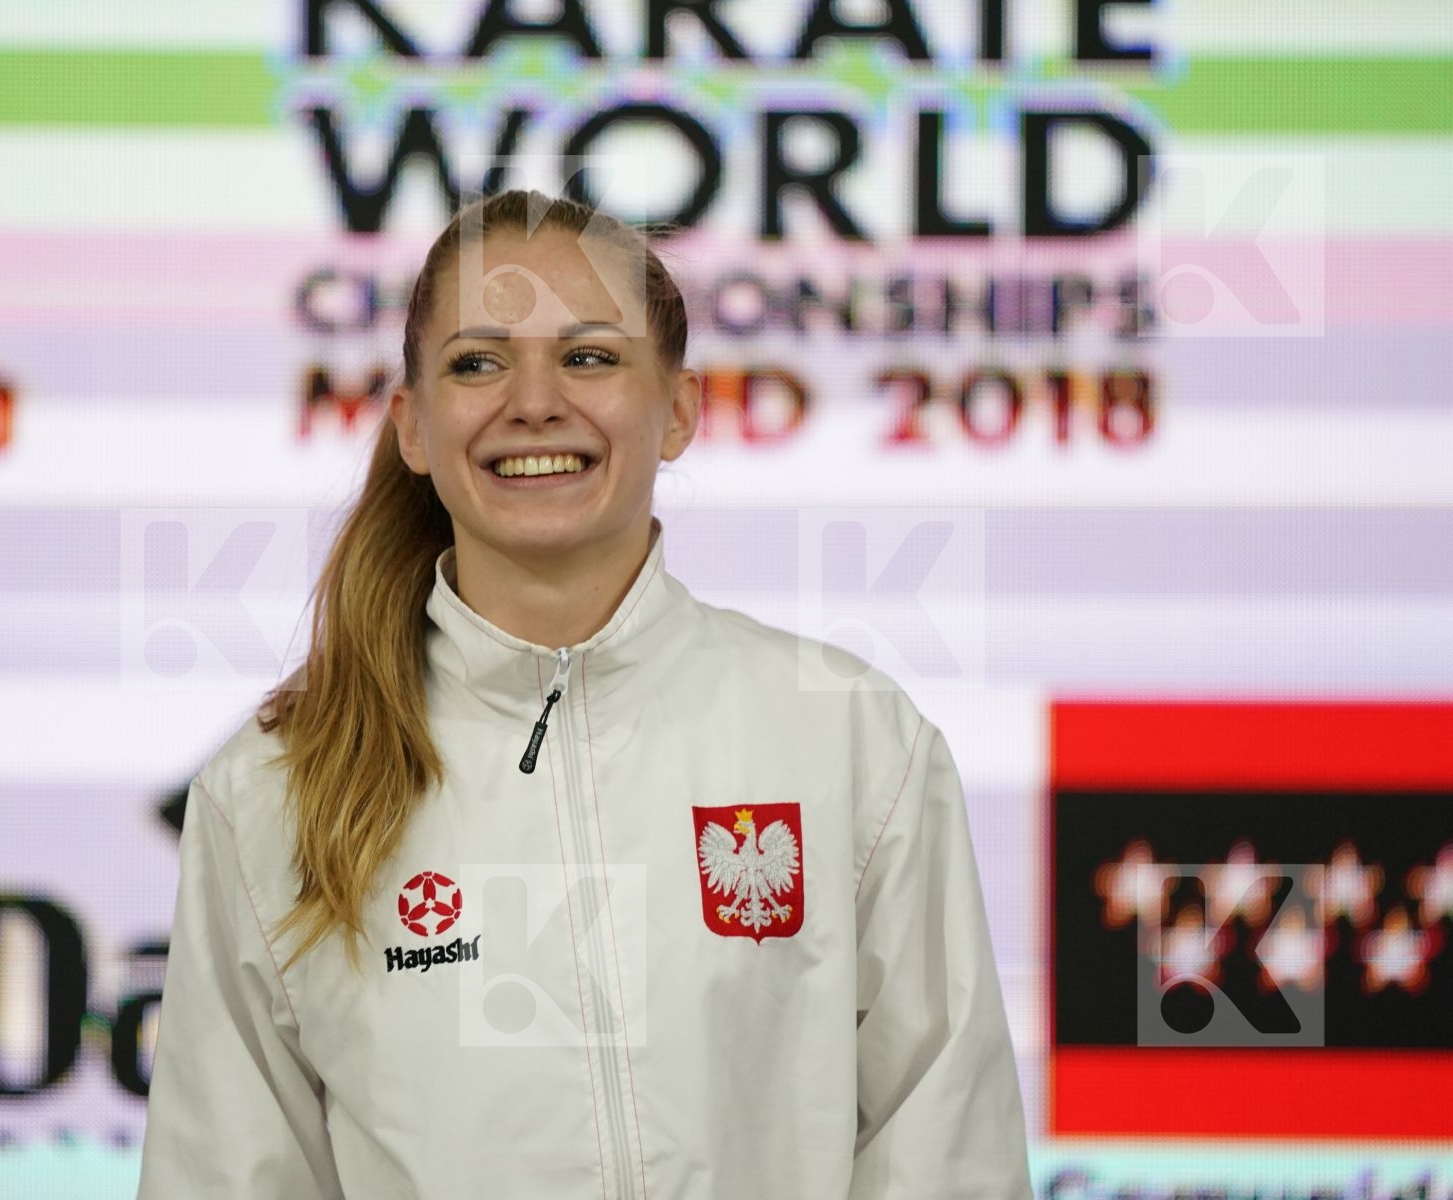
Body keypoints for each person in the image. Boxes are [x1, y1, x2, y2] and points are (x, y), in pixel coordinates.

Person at [136, 189, 1032, 1199]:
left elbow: (949, 1153)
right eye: (476, 362)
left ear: (681, 409)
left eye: (590, 356)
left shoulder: (850, 737)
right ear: (412, 427)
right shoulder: (272, 787)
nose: (533, 402)